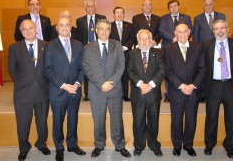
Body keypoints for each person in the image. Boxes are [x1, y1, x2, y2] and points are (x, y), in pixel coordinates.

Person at [82, 19, 131, 158]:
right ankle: (99, 145)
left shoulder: (117, 45)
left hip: (114, 89)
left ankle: (120, 145)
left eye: (106, 29)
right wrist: (101, 83)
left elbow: (121, 65)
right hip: (96, 90)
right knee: (98, 120)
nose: (104, 31)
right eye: (101, 28)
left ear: (110, 31)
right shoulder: (88, 47)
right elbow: (87, 68)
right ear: (96, 31)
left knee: (117, 119)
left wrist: (110, 82)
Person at [203, 19, 233, 159]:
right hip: (213, 86)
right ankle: (209, 144)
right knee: (211, 117)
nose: (219, 31)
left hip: (230, 85)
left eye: (222, 28)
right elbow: (203, 66)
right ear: (213, 31)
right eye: (216, 29)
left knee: (231, 117)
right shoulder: (206, 45)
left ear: (227, 29)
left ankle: (230, 146)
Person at [8, 20, 50, 161]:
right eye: (24, 29)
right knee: (23, 122)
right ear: (21, 32)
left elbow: (50, 68)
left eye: (30, 28)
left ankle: (41, 144)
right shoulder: (14, 48)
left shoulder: (46, 46)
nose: (28, 31)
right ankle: (24, 148)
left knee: (42, 121)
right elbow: (12, 71)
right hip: (23, 92)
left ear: (36, 29)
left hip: (42, 91)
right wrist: (24, 83)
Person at [44, 18, 86, 161]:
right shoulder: (49, 46)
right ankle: (59, 148)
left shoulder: (79, 45)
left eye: (67, 25)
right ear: (57, 27)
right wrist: (63, 85)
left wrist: (77, 83)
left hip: (75, 90)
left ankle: (72, 145)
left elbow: (83, 67)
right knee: (58, 121)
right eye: (61, 25)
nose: (64, 27)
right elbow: (48, 70)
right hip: (58, 90)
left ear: (71, 28)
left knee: (73, 119)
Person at [163, 24, 205, 157]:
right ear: (175, 33)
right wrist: (181, 86)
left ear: (189, 33)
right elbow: (167, 72)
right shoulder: (168, 49)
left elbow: (202, 69)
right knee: (176, 121)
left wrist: (192, 85)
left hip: (193, 90)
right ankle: (177, 146)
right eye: (179, 32)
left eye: (184, 32)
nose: (182, 34)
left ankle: (188, 145)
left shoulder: (198, 47)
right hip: (177, 91)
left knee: (191, 120)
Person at [128, 29, 165, 157]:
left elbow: (161, 71)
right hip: (138, 94)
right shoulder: (133, 53)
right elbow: (130, 71)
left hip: (153, 93)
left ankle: (154, 145)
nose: (144, 41)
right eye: (141, 39)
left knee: (154, 121)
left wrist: (150, 85)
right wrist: (140, 84)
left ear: (151, 40)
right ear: (138, 41)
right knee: (138, 122)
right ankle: (139, 146)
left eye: (147, 39)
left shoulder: (158, 53)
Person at [192, 0, 226, 103]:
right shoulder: (198, 18)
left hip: (219, 49)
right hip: (204, 50)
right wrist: (196, 51)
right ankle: (203, 94)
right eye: (206, 4)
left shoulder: (221, 16)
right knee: (204, 71)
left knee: (218, 71)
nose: (208, 6)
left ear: (214, 4)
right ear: (203, 5)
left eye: (210, 4)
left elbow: (224, 32)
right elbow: (196, 36)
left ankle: (219, 95)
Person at [159, 0, 192, 103]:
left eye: (175, 6)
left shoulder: (186, 17)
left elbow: (190, 29)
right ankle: (168, 94)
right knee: (168, 70)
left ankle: (184, 89)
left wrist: (180, 37)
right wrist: (174, 37)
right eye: (171, 6)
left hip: (184, 47)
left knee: (183, 68)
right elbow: (161, 30)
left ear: (179, 6)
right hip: (168, 47)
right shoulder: (163, 18)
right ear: (168, 8)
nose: (173, 8)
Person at [76, 0, 106, 101]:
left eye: (92, 6)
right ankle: (87, 94)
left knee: (100, 69)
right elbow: (80, 37)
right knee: (87, 70)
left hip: (99, 48)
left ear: (95, 7)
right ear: (85, 7)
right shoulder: (80, 20)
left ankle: (101, 89)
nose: (90, 8)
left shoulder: (102, 18)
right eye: (88, 6)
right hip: (86, 49)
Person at [109, 6, 135, 102]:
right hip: (113, 54)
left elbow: (132, 38)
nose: (119, 14)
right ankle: (115, 94)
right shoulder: (109, 26)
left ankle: (125, 95)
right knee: (114, 74)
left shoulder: (130, 25)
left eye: (121, 13)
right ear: (113, 15)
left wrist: (124, 47)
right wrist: (117, 49)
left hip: (126, 53)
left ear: (124, 15)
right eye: (117, 12)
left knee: (125, 74)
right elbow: (107, 39)